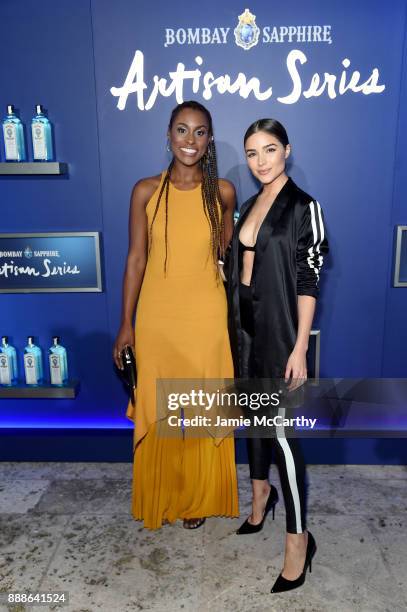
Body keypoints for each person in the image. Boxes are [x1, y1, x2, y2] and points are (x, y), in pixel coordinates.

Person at [113, 100, 239, 530]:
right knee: (163, 407)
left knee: (202, 406)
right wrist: (126, 323)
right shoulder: (145, 190)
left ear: (209, 139)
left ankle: (197, 497)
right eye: (182, 130)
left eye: (200, 132)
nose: (191, 140)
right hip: (158, 316)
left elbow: (226, 254)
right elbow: (135, 260)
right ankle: (164, 493)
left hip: (205, 312)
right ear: (167, 135)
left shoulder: (222, 192)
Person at [227, 118, 328, 592]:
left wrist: (300, 345)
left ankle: (297, 541)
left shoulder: (304, 207)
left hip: (280, 332)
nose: (261, 161)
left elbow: (309, 281)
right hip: (244, 330)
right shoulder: (248, 205)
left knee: (283, 436)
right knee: (255, 422)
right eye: (252, 153)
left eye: (269, 150)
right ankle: (259, 500)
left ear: (287, 150)